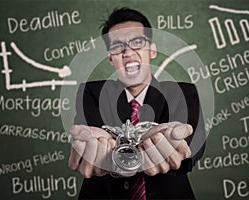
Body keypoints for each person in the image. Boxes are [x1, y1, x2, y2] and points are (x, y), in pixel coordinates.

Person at [68, 7, 206, 199]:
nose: (127, 52)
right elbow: (90, 134)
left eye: (137, 42)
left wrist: (174, 143)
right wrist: (96, 142)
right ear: (110, 57)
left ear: (152, 50)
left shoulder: (183, 92)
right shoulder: (91, 92)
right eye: (117, 46)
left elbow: (193, 145)